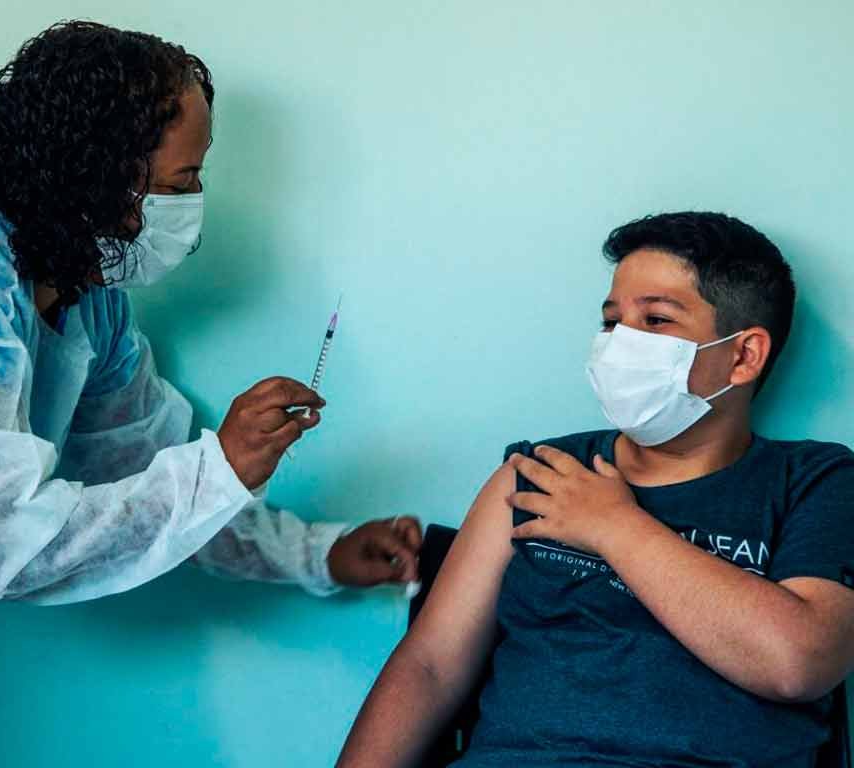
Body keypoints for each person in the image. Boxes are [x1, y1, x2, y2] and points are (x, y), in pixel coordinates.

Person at [0, 21, 422, 768]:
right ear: (91, 170)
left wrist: (318, 553)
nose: (194, 202)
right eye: (180, 182)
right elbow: (2, 545)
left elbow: (144, 464)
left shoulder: (85, 297)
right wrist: (220, 467)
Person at [338, 212, 854, 768]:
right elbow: (429, 667)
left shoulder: (814, 481)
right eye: (612, 322)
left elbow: (798, 664)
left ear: (744, 355)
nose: (621, 343)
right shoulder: (541, 472)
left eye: (656, 319)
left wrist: (615, 527)